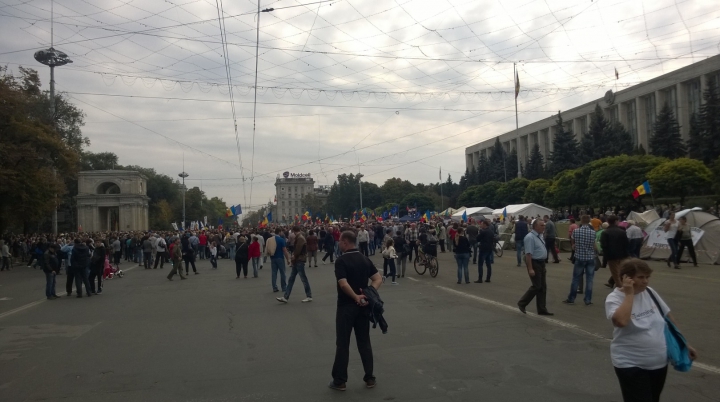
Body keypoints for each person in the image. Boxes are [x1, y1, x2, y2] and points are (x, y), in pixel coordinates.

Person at [605, 259, 697, 402]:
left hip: (658, 363)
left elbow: (667, 316)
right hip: (631, 364)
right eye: (641, 277)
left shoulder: (650, 292)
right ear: (626, 278)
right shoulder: (614, 298)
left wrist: (684, 343)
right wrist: (629, 295)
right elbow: (621, 321)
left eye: (647, 277)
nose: (646, 281)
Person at [329, 230, 383, 391]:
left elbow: (343, 284)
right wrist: (367, 294)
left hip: (346, 306)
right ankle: (370, 377)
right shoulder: (365, 259)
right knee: (364, 341)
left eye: (340, 241)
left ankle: (340, 380)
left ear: (345, 242)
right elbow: (378, 278)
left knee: (343, 343)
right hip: (363, 307)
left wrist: (355, 297)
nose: (338, 244)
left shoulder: (341, 261)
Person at [517, 220, 554, 316]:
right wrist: (530, 268)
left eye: (544, 225)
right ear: (535, 226)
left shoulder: (540, 235)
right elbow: (528, 254)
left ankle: (542, 309)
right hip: (534, 263)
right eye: (541, 225)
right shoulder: (530, 237)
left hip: (541, 263)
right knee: (537, 286)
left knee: (543, 287)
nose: (544, 227)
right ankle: (522, 303)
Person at [563, 215, 598, 306]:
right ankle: (588, 300)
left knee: (576, 279)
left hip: (579, 257)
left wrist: (574, 246)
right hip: (590, 257)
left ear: (581, 221)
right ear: (589, 221)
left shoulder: (576, 231)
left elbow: (573, 242)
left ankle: (571, 298)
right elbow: (594, 246)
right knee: (589, 280)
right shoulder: (593, 232)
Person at [276, 226, 312, 303]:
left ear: (294, 231)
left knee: (302, 279)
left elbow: (297, 250)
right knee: (293, 279)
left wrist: (293, 257)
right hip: (298, 260)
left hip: (299, 260)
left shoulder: (300, 238)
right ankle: (286, 297)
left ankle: (309, 295)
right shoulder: (300, 237)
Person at [601, 216, 629, 288]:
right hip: (622, 255)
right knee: (621, 271)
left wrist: (604, 261)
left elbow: (604, 247)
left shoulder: (605, 232)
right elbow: (626, 244)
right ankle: (616, 284)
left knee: (615, 273)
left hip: (611, 255)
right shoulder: (622, 232)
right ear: (616, 221)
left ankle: (620, 287)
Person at [267, 228, 289, 293]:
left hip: (273, 257)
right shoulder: (281, 240)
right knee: (282, 273)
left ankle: (274, 287)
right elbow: (284, 250)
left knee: (274, 273)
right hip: (280, 257)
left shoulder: (270, 239)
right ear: (279, 232)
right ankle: (284, 287)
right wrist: (288, 259)